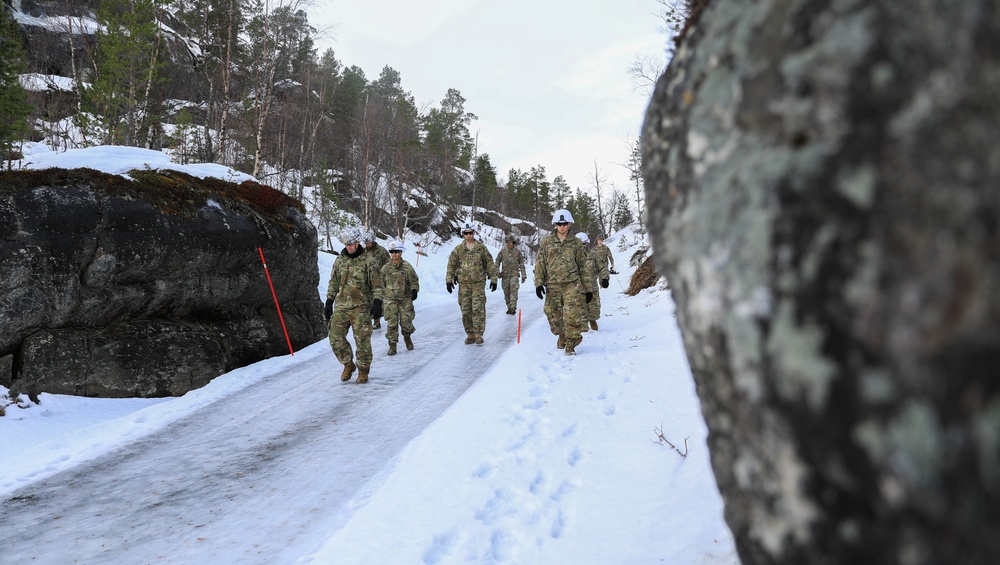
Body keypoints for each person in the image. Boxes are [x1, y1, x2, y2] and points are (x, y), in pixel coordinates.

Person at [324, 227, 384, 384]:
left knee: (362, 340)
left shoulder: (369, 261)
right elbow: (334, 282)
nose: (348, 247)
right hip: (342, 306)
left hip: (361, 307)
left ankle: (363, 371)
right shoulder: (340, 260)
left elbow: (378, 285)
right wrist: (329, 301)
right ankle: (348, 364)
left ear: (358, 242)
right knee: (334, 337)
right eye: (346, 244)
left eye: (351, 243)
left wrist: (378, 302)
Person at [534, 210, 593, 355]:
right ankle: (562, 335)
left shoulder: (576, 243)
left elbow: (583, 267)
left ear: (570, 224)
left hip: (572, 284)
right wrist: (538, 283)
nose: (562, 227)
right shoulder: (547, 242)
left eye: (565, 224)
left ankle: (571, 344)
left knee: (572, 314)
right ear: (555, 224)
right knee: (554, 316)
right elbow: (540, 263)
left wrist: (588, 289)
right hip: (553, 285)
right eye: (559, 224)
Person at [446, 222, 498, 344]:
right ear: (463, 234)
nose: (468, 235)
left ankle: (478, 333)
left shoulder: (481, 248)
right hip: (464, 284)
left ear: (474, 233)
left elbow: (489, 263)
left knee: (478, 308)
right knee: (466, 309)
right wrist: (449, 280)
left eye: (470, 233)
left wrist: (493, 278)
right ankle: (470, 333)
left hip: (478, 284)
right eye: (466, 233)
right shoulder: (458, 250)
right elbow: (451, 265)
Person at [379, 240, 419, 355]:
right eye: (392, 252)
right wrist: (379, 298)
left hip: (405, 299)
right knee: (392, 323)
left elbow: (414, 281)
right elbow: (379, 283)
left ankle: (407, 337)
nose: (394, 254)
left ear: (401, 252)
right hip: (390, 300)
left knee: (406, 321)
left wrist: (414, 290)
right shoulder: (385, 268)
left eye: (396, 251)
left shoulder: (407, 267)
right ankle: (392, 345)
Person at [576, 232, 608, 331]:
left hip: (592, 288)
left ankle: (592, 321)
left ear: (587, 243)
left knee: (594, 312)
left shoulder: (593, 255)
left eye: (584, 244)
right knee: (579, 314)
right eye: (579, 244)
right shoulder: (571, 257)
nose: (582, 246)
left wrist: (604, 278)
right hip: (577, 289)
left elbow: (603, 268)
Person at [363, 230, 391, 329]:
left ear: (373, 241)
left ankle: (377, 322)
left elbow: (389, 264)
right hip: (367, 280)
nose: (368, 245)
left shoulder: (382, 251)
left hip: (380, 280)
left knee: (377, 302)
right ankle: (368, 322)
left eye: (369, 243)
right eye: (366, 243)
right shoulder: (363, 252)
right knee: (367, 302)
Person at [494, 233, 527, 315]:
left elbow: (522, 264)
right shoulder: (502, 252)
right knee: (506, 293)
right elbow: (497, 262)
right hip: (504, 276)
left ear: (513, 243)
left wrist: (523, 275)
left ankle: (513, 308)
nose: (509, 244)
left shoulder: (517, 253)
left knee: (513, 291)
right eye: (507, 242)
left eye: (510, 242)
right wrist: (497, 271)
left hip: (514, 275)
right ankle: (509, 307)